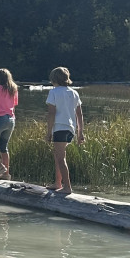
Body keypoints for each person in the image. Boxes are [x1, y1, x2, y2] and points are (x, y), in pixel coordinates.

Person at [45, 67, 84, 195]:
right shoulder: (74, 93)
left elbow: (51, 113)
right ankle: (58, 183)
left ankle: (67, 187)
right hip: (70, 129)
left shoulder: (53, 92)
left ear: (53, 79)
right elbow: (79, 115)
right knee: (58, 155)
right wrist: (80, 133)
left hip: (59, 127)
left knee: (61, 158)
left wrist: (49, 132)